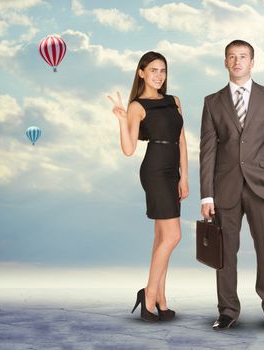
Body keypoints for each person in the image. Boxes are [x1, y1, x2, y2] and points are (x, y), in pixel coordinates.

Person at [200, 40, 264, 330]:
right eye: (232, 57)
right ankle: (227, 310)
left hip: (262, 185)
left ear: (252, 62)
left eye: (243, 56)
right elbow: (208, 151)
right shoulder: (212, 102)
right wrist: (207, 195)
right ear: (225, 62)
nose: (237, 61)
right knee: (224, 252)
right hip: (225, 188)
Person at [108, 51, 188, 322]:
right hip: (154, 171)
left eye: (163, 70)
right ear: (141, 72)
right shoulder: (137, 106)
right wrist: (121, 121)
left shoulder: (173, 100)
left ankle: (162, 300)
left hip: (172, 172)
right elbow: (129, 149)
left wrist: (184, 176)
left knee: (161, 238)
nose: (159, 75)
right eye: (153, 70)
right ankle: (149, 294)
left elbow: (182, 141)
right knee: (173, 236)